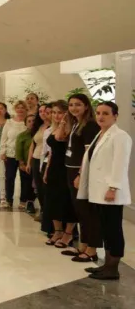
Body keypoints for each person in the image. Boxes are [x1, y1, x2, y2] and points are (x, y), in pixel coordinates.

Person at [79, 101, 131, 280]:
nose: (100, 116)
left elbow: (120, 164)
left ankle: (112, 268)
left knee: (113, 230)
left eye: (106, 113)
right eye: (98, 113)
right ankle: (107, 265)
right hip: (99, 191)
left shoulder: (120, 136)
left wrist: (113, 187)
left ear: (115, 116)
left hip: (110, 192)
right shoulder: (100, 134)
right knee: (106, 228)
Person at [63, 94, 102, 263]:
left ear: (86, 106)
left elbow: (88, 153)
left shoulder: (90, 126)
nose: (74, 108)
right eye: (71, 105)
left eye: (78, 104)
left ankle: (92, 249)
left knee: (87, 212)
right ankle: (83, 245)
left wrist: (80, 174)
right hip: (71, 170)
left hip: (82, 172)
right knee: (80, 211)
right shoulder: (76, 124)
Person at [44, 100, 77, 248]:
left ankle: (68, 233)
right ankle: (57, 231)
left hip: (67, 168)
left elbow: (59, 139)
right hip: (54, 168)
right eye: (54, 112)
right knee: (52, 200)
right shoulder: (53, 128)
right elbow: (51, 152)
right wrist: (46, 170)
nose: (56, 116)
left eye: (60, 113)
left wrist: (63, 123)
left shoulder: (70, 129)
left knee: (67, 201)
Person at [28, 104, 52, 229]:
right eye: (41, 111)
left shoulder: (53, 127)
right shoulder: (39, 126)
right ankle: (43, 210)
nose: (43, 113)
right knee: (38, 187)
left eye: (45, 111)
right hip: (36, 158)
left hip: (46, 160)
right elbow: (33, 144)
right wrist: (29, 161)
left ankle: (47, 213)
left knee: (45, 187)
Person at [0, 100, 28, 208]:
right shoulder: (9, 122)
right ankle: (9, 200)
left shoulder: (28, 122)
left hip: (24, 156)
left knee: (24, 178)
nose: (20, 109)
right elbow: (3, 138)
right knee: (10, 177)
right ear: (15, 109)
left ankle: (23, 201)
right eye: (18, 107)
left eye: (22, 107)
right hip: (10, 154)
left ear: (26, 109)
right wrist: (3, 152)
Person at [16, 114, 36, 212]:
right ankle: (24, 201)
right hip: (24, 163)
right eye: (29, 121)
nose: (32, 123)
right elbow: (19, 150)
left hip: (36, 163)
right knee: (25, 183)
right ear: (25, 123)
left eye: (33, 121)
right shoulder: (22, 136)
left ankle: (31, 201)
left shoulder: (39, 134)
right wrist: (21, 163)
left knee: (34, 184)